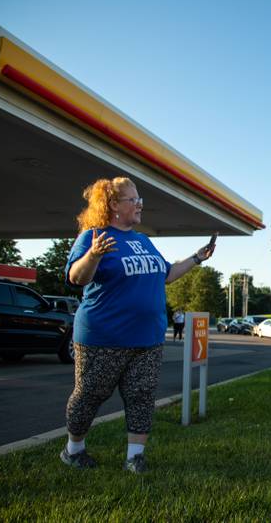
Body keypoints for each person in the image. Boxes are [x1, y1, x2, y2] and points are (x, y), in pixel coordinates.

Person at [61, 176, 215, 473]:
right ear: (114, 205)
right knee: (90, 395)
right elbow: (76, 278)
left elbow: (167, 274)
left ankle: (135, 457)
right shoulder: (93, 236)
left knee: (142, 395)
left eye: (139, 199)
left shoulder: (143, 240)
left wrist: (198, 257)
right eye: (133, 200)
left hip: (148, 338)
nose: (140, 204)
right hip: (103, 337)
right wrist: (93, 255)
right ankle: (74, 450)